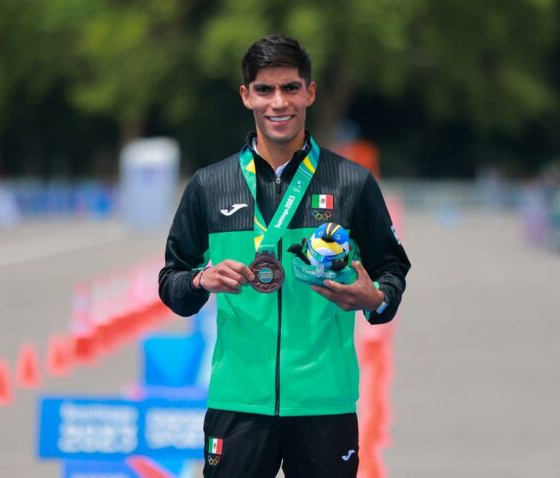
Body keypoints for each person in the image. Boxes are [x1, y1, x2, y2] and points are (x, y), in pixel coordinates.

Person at [159, 33, 411, 478]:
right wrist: (200, 280)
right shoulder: (209, 185)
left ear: (310, 92)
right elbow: (172, 283)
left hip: (324, 400)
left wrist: (375, 298)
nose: (279, 102)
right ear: (246, 96)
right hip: (238, 400)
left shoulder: (351, 183)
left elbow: (392, 270)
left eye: (291, 88)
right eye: (265, 89)